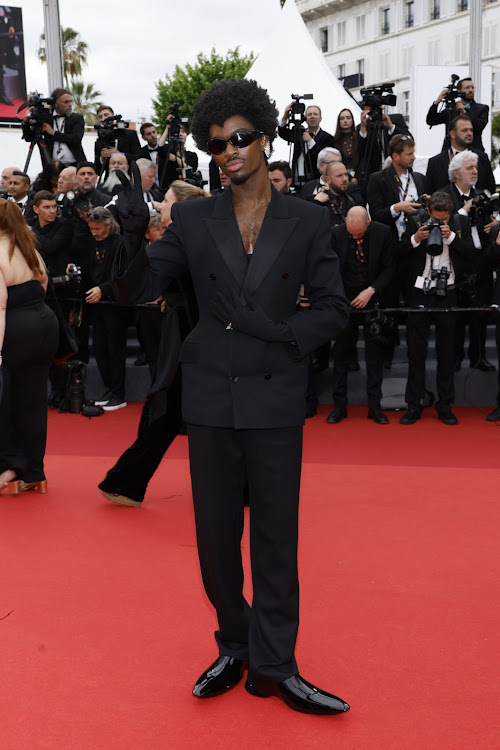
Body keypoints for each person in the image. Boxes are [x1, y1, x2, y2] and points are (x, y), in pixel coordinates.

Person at [114, 78, 350, 715]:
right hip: (212, 398)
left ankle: (276, 665)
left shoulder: (306, 218)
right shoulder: (191, 217)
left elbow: (331, 310)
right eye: (217, 144)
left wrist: (279, 336)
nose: (229, 152)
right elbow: (139, 288)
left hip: (274, 397)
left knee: (276, 540)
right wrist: (130, 226)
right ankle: (235, 643)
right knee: (216, 544)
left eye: (241, 139)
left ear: (265, 137)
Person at [99, 181, 209, 506]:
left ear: (181, 209)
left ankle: (126, 481)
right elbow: (138, 286)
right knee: (166, 408)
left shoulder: (186, 239)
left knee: (165, 408)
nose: (159, 204)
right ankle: (126, 481)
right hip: (188, 334)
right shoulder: (192, 237)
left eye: (165, 200)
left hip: (192, 339)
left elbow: (135, 287)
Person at [399, 192, 475, 426]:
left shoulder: (460, 223)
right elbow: (396, 254)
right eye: (435, 219)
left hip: (449, 293)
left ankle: (445, 405)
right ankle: (414, 404)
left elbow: (473, 256)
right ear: (428, 211)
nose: (439, 223)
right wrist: (415, 239)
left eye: (444, 219)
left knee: (447, 353)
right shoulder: (415, 222)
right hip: (420, 292)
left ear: (450, 214)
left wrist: (451, 237)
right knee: (415, 352)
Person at [0, 199, 58, 494]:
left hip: (16, 331)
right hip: (45, 326)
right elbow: (44, 286)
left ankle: (8, 469)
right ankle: (34, 471)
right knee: (34, 403)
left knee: (5, 402)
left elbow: (0, 305)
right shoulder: (28, 248)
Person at [327, 207, 395, 424]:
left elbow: (390, 268)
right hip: (344, 302)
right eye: (351, 234)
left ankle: (375, 407)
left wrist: (372, 290)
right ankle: (339, 406)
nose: (354, 237)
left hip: (372, 300)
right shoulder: (336, 234)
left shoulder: (383, 232)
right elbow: (329, 269)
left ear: (368, 223)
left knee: (374, 357)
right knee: (340, 356)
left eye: (358, 234)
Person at [440, 150, 497, 372]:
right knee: (456, 313)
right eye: (469, 168)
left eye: (476, 167)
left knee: (480, 312)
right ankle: (455, 356)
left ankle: (478, 356)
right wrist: (463, 213)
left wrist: (494, 226)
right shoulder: (445, 195)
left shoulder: (483, 194)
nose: (475, 171)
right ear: (456, 173)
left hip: (481, 259)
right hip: (455, 261)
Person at [86, 207, 129, 411]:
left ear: (108, 225)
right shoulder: (92, 243)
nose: (94, 232)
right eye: (91, 228)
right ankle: (109, 389)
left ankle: (118, 394)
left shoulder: (120, 243)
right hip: (97, 305)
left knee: (115, 349)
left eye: (97, 228)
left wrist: (103, 289)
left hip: (114, 304)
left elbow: (122, 275)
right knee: (100, 348)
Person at [425, 115, 495, 196]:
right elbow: (429, 194)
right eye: (464, 130)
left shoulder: (482, 158)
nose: (469, 133)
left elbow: (490, 189)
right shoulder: (435, 162)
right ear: (452, 134)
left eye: (471, 130)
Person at [21, 88, 87, 166]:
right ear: (56, 104)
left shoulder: (76, 118)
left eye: (70, 101)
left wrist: (53, 133)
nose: (70, 104)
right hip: (53, 167)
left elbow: (75, 139)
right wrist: (25, 122)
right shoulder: (47, 119)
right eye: (66, 102)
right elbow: (29, 138)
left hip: (75, 165)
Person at [278, 102, 335, 187]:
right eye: (309, 114)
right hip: (296, 181)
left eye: (315, 114)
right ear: (305, 118)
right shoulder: (299, 133)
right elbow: (283, 133)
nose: (312, 116)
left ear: (320, 118)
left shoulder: (327, 138)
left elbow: (324, 159)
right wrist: (285, 115)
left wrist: (311, 142)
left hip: (315, 181)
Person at [426, 78, 489, 152]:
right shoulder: (451, 108)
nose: (471, 90)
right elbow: (431, 121)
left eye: (472, 87)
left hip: (473, 151)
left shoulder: (482, 108)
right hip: (451, 152)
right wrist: (436, 102)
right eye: (467, 88)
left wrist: (464, 112)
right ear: (459, 91)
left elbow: (479, 126)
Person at [94, 104, 142, 169]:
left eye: (106, 115)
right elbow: (97, 169)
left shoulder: (129, 134)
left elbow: (139, 157)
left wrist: (120, 154)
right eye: (100, 117)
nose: (103, 119)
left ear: (113, 115)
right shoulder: (100, 140)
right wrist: (102, 158)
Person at [333, 108, 360, 179]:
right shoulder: (334, 140)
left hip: (358, 176)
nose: (345, 121)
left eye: (348, 118)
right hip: (341, 176)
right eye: (342, 118)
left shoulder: (358, 138)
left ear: (352, 120)